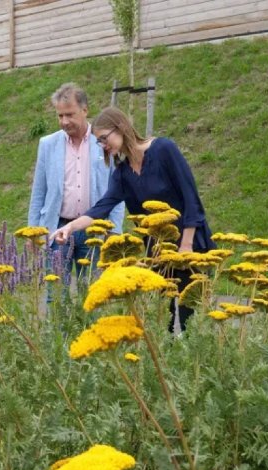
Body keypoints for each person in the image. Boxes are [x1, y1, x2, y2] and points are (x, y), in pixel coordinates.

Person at [50, 107, 216, 334]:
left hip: (192, 247)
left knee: (193, 325)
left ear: (121, 128)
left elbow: (191, 199)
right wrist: (69, 227)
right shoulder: (122, 174)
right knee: (162, 325)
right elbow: (101, 207)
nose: (103, 145)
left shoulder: (164, 150)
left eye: (104, 138)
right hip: (158, 256)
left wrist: (186, 247)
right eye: (99, 142)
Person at [27, 83, 124, 282]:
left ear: (85, 110)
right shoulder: (48, 145)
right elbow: (39, 192)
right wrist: (32, 231)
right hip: (57, 231)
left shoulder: (105, 142)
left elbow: (118, 190)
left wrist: (114, 229)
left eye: (70, 114)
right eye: (60, 116)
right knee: (55, 298)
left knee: (91, 295)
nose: (64, 121)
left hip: (94, 231)